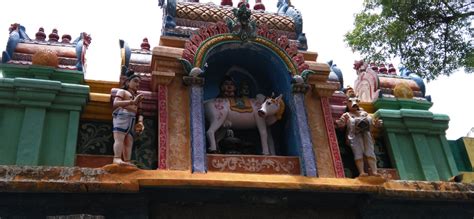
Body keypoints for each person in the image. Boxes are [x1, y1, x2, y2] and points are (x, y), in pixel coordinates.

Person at [335, 87, 383, 177]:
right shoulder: (347, 115)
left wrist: (377, 123)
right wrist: (337, 123)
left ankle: (374, 172)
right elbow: (341, 124)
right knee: (358, 152)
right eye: (350, 101)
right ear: (346, 103)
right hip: (354, 136)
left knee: (370, 152)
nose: (354, 104)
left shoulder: (364, 113)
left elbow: (373, 123)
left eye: (356, 101)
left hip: (366, 134)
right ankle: (361, 172)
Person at [112, 71, 144, 166]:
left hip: (133, 118)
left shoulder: (137, 97)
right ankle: (117, 158)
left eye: (139, 83)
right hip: (122, 115)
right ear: (127, 82)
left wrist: (140, 122)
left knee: (129, 140)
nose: (137, 84)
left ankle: (127, 161)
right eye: (135, 81)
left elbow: (140, 111)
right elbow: (116, 103)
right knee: (119, 138)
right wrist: (132, 102)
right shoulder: (122, 92)